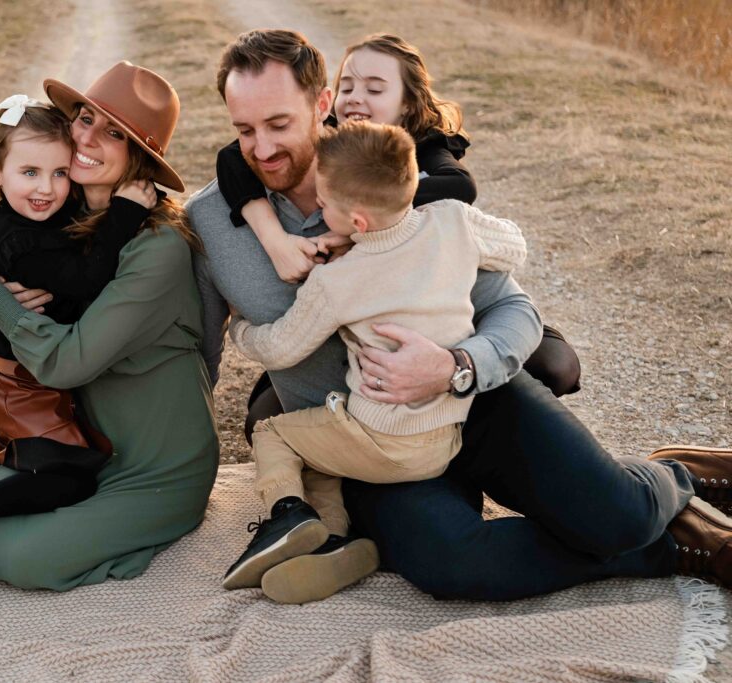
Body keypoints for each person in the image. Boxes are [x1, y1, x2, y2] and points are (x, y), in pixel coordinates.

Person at [186, 28, 732, 602]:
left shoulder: (390, 176)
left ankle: (673, 477)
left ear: (322, 105)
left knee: (615, 512)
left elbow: (514, 307)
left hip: (476, 400)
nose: (262, 149)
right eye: (243, 131)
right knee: (450, 563)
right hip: (369, 446)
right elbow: (200, 355)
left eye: (278, 125)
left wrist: (455, 366)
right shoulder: (212, 220)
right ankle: (677, 544)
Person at [0, 61, 219, 593]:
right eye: (84, 118)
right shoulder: (71, 211)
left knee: (11, 552)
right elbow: (20, 276)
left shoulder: (157, 247)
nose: (87, 138)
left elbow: (65, 361)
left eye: (114, 132)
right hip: (84, 443)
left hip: (156, 468)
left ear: (140, 156)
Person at [219, 34, 579, 445]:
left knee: (552, 364)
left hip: (446, 315)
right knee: (264, 423)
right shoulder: (337, 144)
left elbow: (461, 187)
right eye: (348, 86)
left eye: (374, 89)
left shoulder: (426, 158)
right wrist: (273, 237)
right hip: (349, 340)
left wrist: (375, 212)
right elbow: (232, 156)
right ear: (327, 101)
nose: (356, 98)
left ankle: (480, 429)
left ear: (407, 104)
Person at [222, 121, 526, 604]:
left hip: (382, 439)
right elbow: (514, 246)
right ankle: (330, 540)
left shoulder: (338, 280)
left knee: (276, 433)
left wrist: (238, 327)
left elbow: (281, 348)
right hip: (447, 437)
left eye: (324, 204)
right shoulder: (452, 220)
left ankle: (285, 512)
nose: (319, 210)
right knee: (319, 455)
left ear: (357, 222)